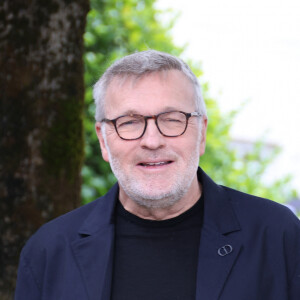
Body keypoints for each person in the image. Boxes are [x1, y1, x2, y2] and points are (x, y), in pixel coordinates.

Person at [15, 50, 300, 300]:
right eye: (129, 122)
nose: (152, 141)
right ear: (103, 140)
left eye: (172, 120)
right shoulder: (49, 252)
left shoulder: (278, 236)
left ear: (201, 133)